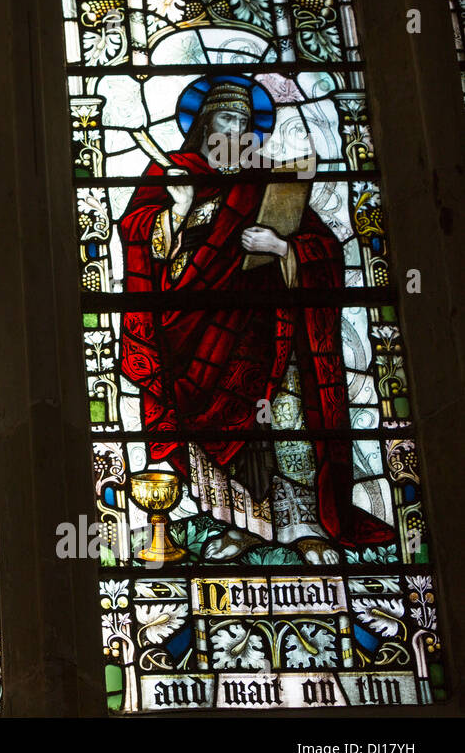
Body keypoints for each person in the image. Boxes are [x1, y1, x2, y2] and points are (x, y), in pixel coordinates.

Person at [116, 81, 394, 563]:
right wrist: (177, 209)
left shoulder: (269, 179)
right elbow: (138, 235)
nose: (236, 131)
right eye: (226, 121)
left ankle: (302, 524)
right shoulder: (174, 172)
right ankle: (238, 524)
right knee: (218, 435)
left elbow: (323, 248)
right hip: (195, 332)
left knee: (281, 422)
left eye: (245, 125)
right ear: (204, 125)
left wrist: (282, 250)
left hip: (270, 330)